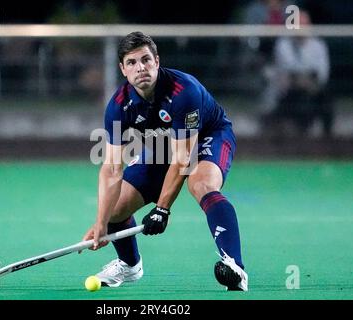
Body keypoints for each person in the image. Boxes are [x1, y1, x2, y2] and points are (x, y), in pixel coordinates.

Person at [81, 31, 248, 291]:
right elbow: (112, 168)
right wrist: (102, 222)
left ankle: (235, 267)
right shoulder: (118, 106)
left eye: (146, 60)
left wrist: (162, 209)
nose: (141, 68)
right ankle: (129, 265)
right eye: (132, 63)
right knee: (115, 209)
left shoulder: (184, 91)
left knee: (201, 184)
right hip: (164, 145)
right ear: (123, 70)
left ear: (157, 61)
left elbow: (184, 159)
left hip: (209, 135)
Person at [261, 10, 333, 137]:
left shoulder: (318, 45)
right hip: (289, 91)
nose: (301, 27)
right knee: (290, 96)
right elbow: (286, 70)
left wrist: (306, 80)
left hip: (312, 90)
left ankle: (327, 142)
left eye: (304, 24)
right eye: (297, 24)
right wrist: (301, 78)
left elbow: (322, 74)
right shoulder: (283, 44)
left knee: (326, 98)